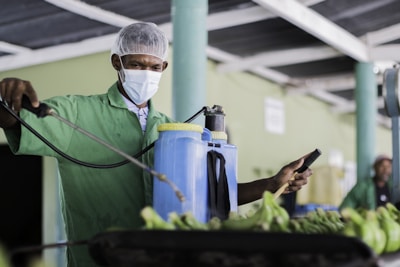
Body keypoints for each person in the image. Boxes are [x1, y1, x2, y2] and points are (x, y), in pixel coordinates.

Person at [0, 22, 312, 267]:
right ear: (116, 62)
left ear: (163, 68)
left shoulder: (174, 131)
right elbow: (15, 119)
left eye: (153, 66)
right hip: (98, 261)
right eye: (136, 64)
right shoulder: (76, 113)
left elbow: (210, 196)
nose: (145, 73)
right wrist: (6, 97)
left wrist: (272, 183)